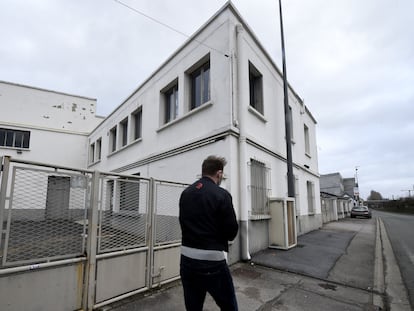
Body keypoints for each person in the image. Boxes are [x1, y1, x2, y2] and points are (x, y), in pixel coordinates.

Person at [179, 155, 239, 311]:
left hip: (187, 259)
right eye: (222, 175)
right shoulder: (222, 195)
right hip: (213, 262)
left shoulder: (186, 193)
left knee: (193, 307)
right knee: (229, 306)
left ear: (203, 171)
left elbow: (183, 222)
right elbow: (231, 231)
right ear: (218, 174)